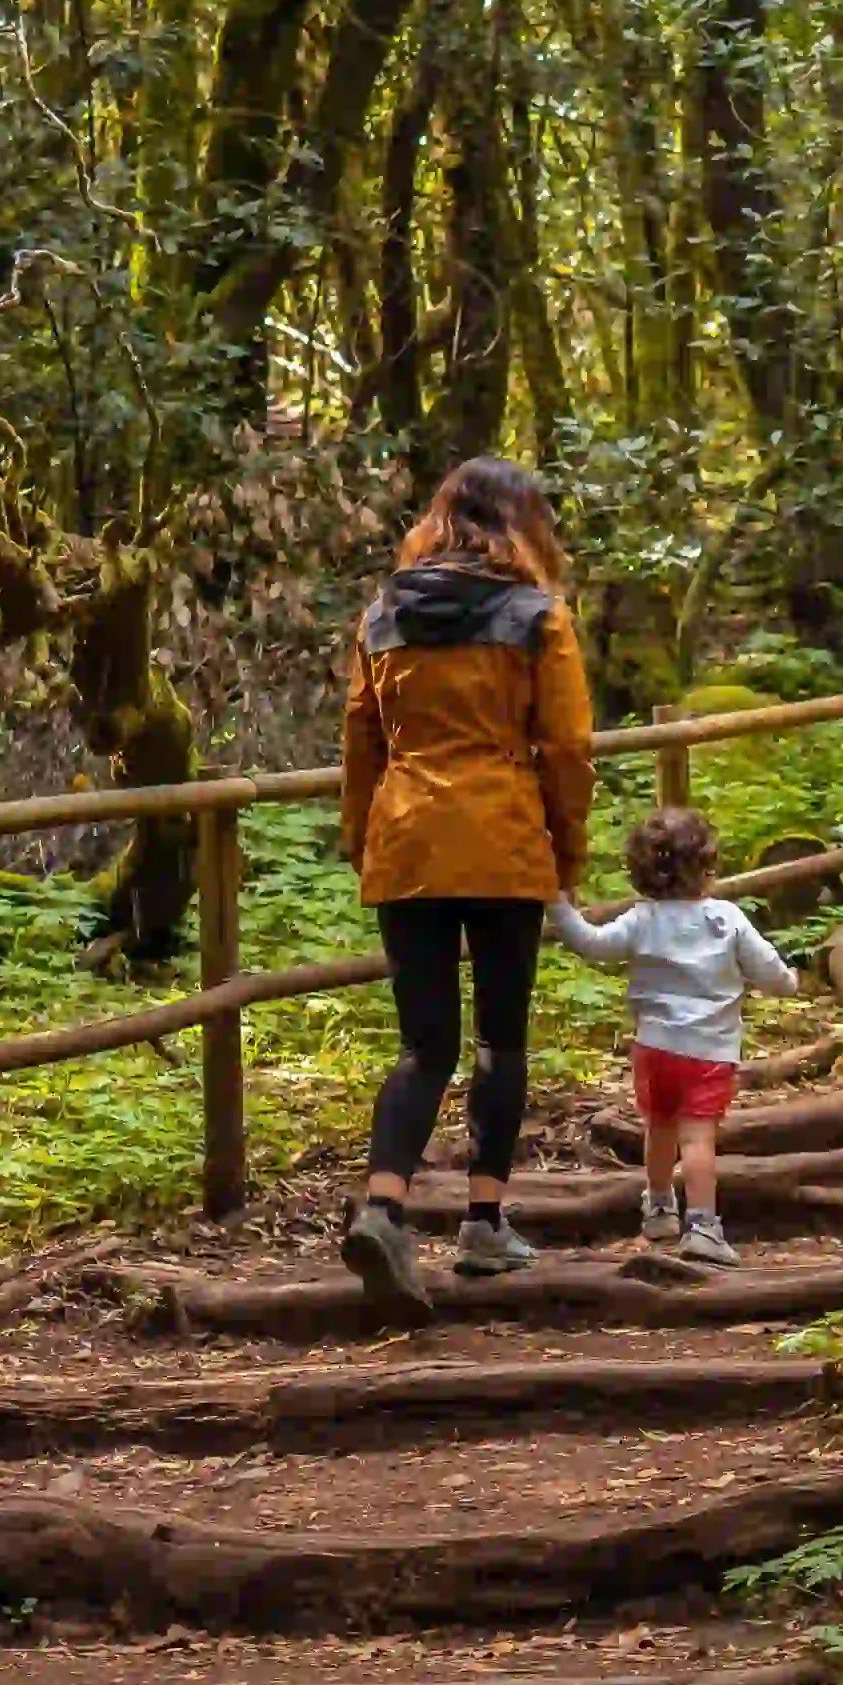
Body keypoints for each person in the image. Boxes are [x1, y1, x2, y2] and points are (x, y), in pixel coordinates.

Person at [338, 458, 595, 1316]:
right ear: (523, 522)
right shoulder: (537, 616)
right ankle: (484, 1223)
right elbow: (565, 748)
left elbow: (360, 735)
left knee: (423, 1044)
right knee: (501, 1038)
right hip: (501, 834)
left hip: (408, 836)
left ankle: (383, 1206)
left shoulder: (384, 612)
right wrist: (569, 845)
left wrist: (358, 835)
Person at [548, 808, 796, 1269]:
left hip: (655, 1049)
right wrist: (791, 982)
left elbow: (593, 944)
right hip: (709, 1052)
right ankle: (702, 1227)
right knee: (698, 1139)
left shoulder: (641, 919)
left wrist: (559, 904)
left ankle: (660, 1207)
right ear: (706, 866)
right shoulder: (726, 919)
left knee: (660, 1127)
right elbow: (770, 971)